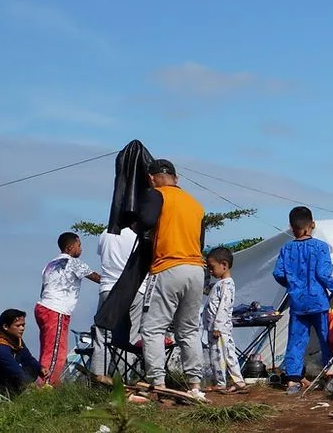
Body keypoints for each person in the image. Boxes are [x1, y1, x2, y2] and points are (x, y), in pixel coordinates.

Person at [136, 159, 208, 402]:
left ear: (152, 178)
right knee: (188, 329)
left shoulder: (157, 195)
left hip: (168, 267)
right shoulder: (196, 205)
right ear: (177, 178)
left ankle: (157, 382)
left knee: (153, 328)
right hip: (196, 269)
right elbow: (201, 242)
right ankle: (195, 385)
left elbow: (145, 222)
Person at [273, 206, 333, 395]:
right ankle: (330, 375)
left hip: (298, 304)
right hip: (318, 301)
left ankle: (293, 381)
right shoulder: (320, 247)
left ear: (292, 228)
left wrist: (292, 284)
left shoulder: (287, 248)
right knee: (326, 338)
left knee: (296, 340)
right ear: (312, 225)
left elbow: (278, 273)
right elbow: (323, 275)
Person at [35, 232, 101, 386]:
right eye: (79, 245)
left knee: (48, 349)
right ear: (70, 247)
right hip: (56, 310)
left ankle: (49, 383)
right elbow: (98, 278)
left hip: (43, 307)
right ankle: (46, 386)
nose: (81, 249)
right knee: (55, 352)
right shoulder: (74, 263)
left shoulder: (50, 265)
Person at [90, 219, 147, 381]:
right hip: (135, 290)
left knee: (103, 335)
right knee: (130, 337)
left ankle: (98, 374)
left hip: (109, 288)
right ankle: (122, 379)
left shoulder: (105, 234)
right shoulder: (137, 237)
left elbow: (103, 256)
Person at [202, 246, 247, 394]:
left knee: (220, 355)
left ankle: (222, 382)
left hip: (219, 329)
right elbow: (205, 289)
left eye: (212, 267)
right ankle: (237, 382)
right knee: (222, 354)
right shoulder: (219, 284)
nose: (210, 270)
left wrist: (218, 326)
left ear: (224, 265)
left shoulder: (227, 284)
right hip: (212, 327)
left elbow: (224, 307)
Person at [0, 309, 44, 395]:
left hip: (5, 377)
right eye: (18, 325)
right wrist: (33, 387)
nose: (22, 328)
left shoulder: (16, 340)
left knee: (32, 368)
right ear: (5, 326)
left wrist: (40, 368)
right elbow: (14, 369)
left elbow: (27, 358)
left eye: (23, 325)